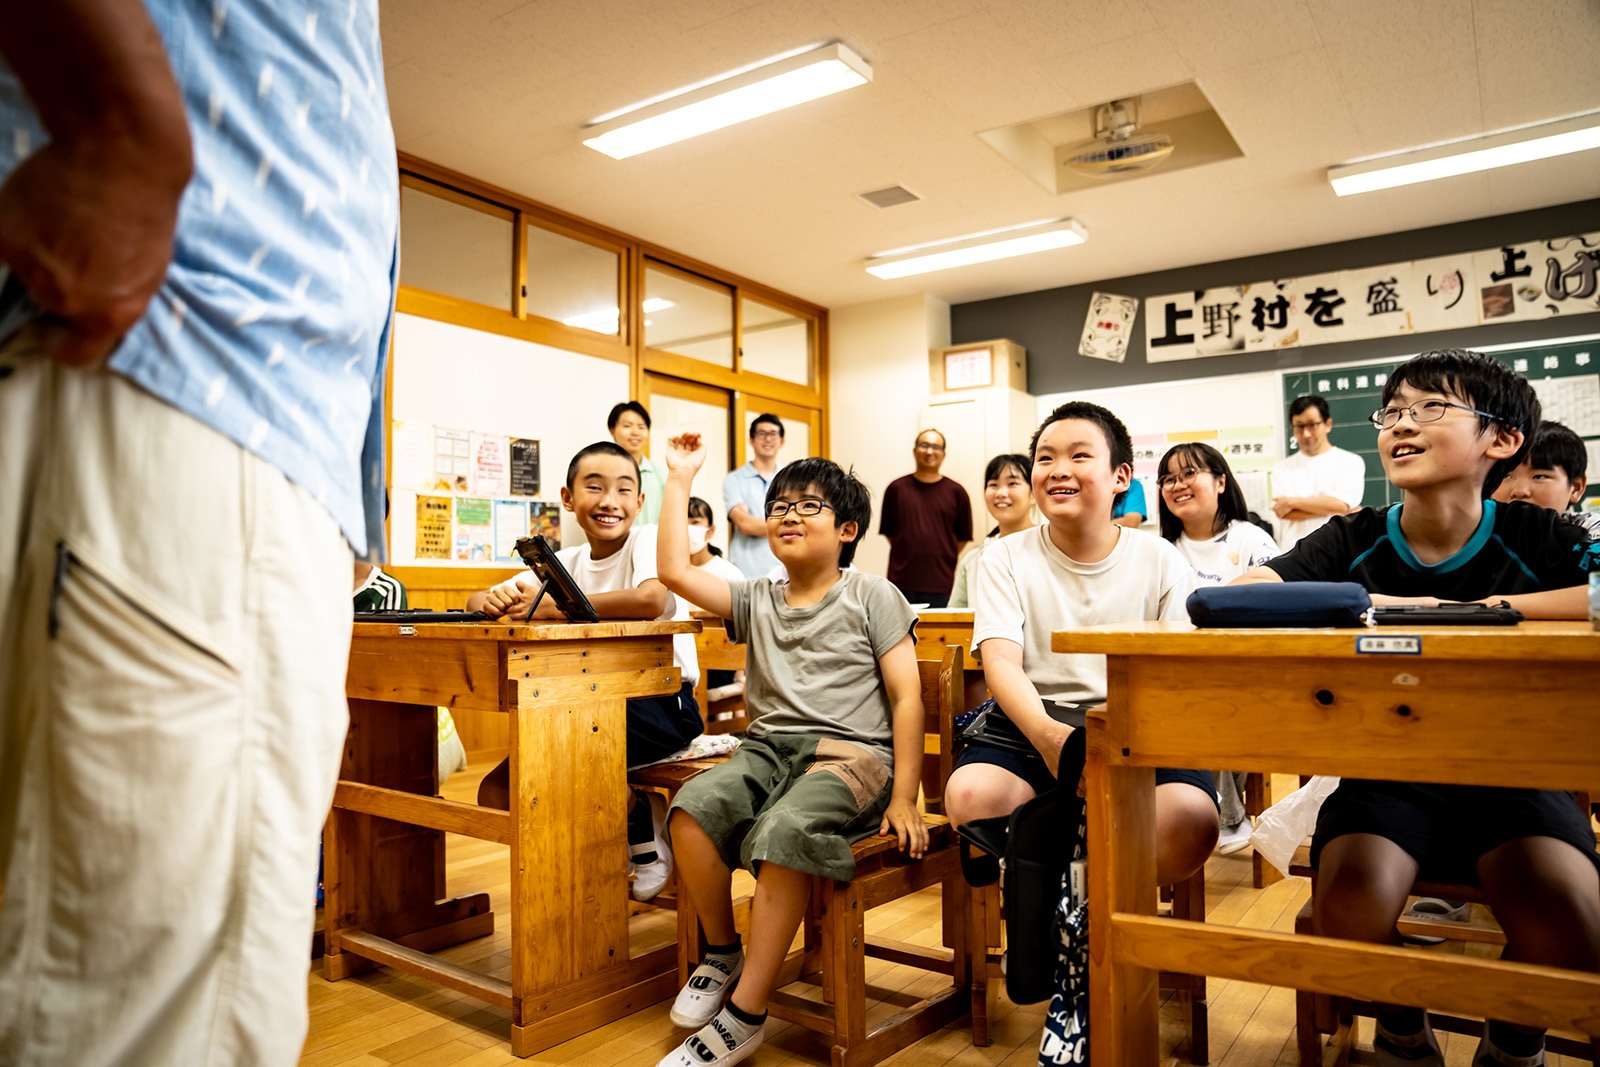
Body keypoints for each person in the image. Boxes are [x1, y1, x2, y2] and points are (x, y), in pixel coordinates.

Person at [0, 3, 397, 1064]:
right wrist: (117, 126)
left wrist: (356, 487)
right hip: (196, 357)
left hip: (220, 400)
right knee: (158, 1013)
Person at [1234, 349, 1600, 1067]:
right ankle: (1403, 1029)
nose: (1403, 424)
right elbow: (1246, 591)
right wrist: (1394, 605)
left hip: (1515, 774)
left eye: (1432, 407)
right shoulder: (1354, 537)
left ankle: (1515, 1038)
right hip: (1385, 774)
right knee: (1345, 909)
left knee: (1572, 919)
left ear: (1500, 440)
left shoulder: (1538, 534)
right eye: (1393, 410)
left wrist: (1476, 610)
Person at [654, 437, 925, 1067]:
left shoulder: (872, 595)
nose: (787, 515)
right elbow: (675, 572)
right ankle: (723, 952)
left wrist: (907, 794)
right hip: (769, 750)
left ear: (848, 529)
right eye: (778, 505)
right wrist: (679, 478)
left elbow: (907, 699)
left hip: (852, 757)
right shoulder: (756, 597)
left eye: (808, 506)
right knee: (692, 807)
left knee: (784, 829)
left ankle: (746, 1015)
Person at [943, 402, 1218, 890]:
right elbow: (1001, 662)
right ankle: (1049, 917)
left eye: (1079, 456)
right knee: (972, 796)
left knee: (1188, 821)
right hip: (1033, 722)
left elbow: (1177, 673)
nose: (1058, 471)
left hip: (1138, 724)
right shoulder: (1003, 555)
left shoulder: (1160, 558)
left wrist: (1111, 745)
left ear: (1121, 477)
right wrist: (1053, 741)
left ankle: (1091, 915)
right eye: (1045, 459)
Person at [466, 441, 703, 901]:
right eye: (593, 487)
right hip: (583, 707)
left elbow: (650, 600)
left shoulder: (648, 539)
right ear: (568, 498)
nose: (609, 500)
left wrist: (559, 609)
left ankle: (631, 818)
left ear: (639, 501)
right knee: (498, 791)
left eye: (623, 489)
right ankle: (613, 831)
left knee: (547, 761)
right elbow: (479, 601)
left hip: (661, 709)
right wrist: (488, 603)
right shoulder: (566, 562)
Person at [1154, 441, 1279, 854]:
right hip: (1176, 673)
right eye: (1169, 479)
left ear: (1221, 481)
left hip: (1245, 673)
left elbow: (1279, 606)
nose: (1178, 485)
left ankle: (1227, 812)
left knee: (1209, 697)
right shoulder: (1159, 550)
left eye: (1189, 474)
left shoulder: (1250, 539)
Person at [880, 429, 973, 607]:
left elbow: (962, 537)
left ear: (943, 454)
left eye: (935, 447)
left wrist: (940, 552)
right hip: (901, 582)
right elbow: (890, 533)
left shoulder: (957, 492)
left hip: (941, 582)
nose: (929, 451)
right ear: (914, 451)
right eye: (924, 445)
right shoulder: (896, 489)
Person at [1271, 395, 1367, 550]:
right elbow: (1285, 513)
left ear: (1327, 424)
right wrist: (1333, 509)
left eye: (1312, 425)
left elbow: (1342, 504)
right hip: (1293, 555)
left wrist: (1292, 502)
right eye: (1299, 427)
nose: (1306, 434)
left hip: (1339, 552)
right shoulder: (1281, 468)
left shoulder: (1350, 462)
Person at [948, 453, 1033, 609]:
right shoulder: (973, 560)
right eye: (993, 484)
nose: (1001, 493)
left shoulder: (1051, 548)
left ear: (1033, 494)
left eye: (1012, 483)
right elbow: (955, 621)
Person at [1492, 420, 1599, 533]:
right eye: (1506, 476)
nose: (1520, 491)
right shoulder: (1478, 534)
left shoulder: (1589, 531)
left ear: (1576, 488)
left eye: (1539, 477)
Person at [723, 413, 786, 578]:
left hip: (784, 568)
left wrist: (756, 523)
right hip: (747, 571)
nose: (768, 439)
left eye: (773, 434)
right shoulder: (734, 479)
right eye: (761, 434)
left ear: (782, 441)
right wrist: (786, 523)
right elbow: (745, 525)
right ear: (751, 440)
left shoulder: (790, 481)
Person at [609, 400, 666, 525]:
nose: (635, 432)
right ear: (612, 430)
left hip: (652, 544)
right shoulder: (602, 472)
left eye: (641, 427)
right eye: (627, 426)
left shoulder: (662, 475)